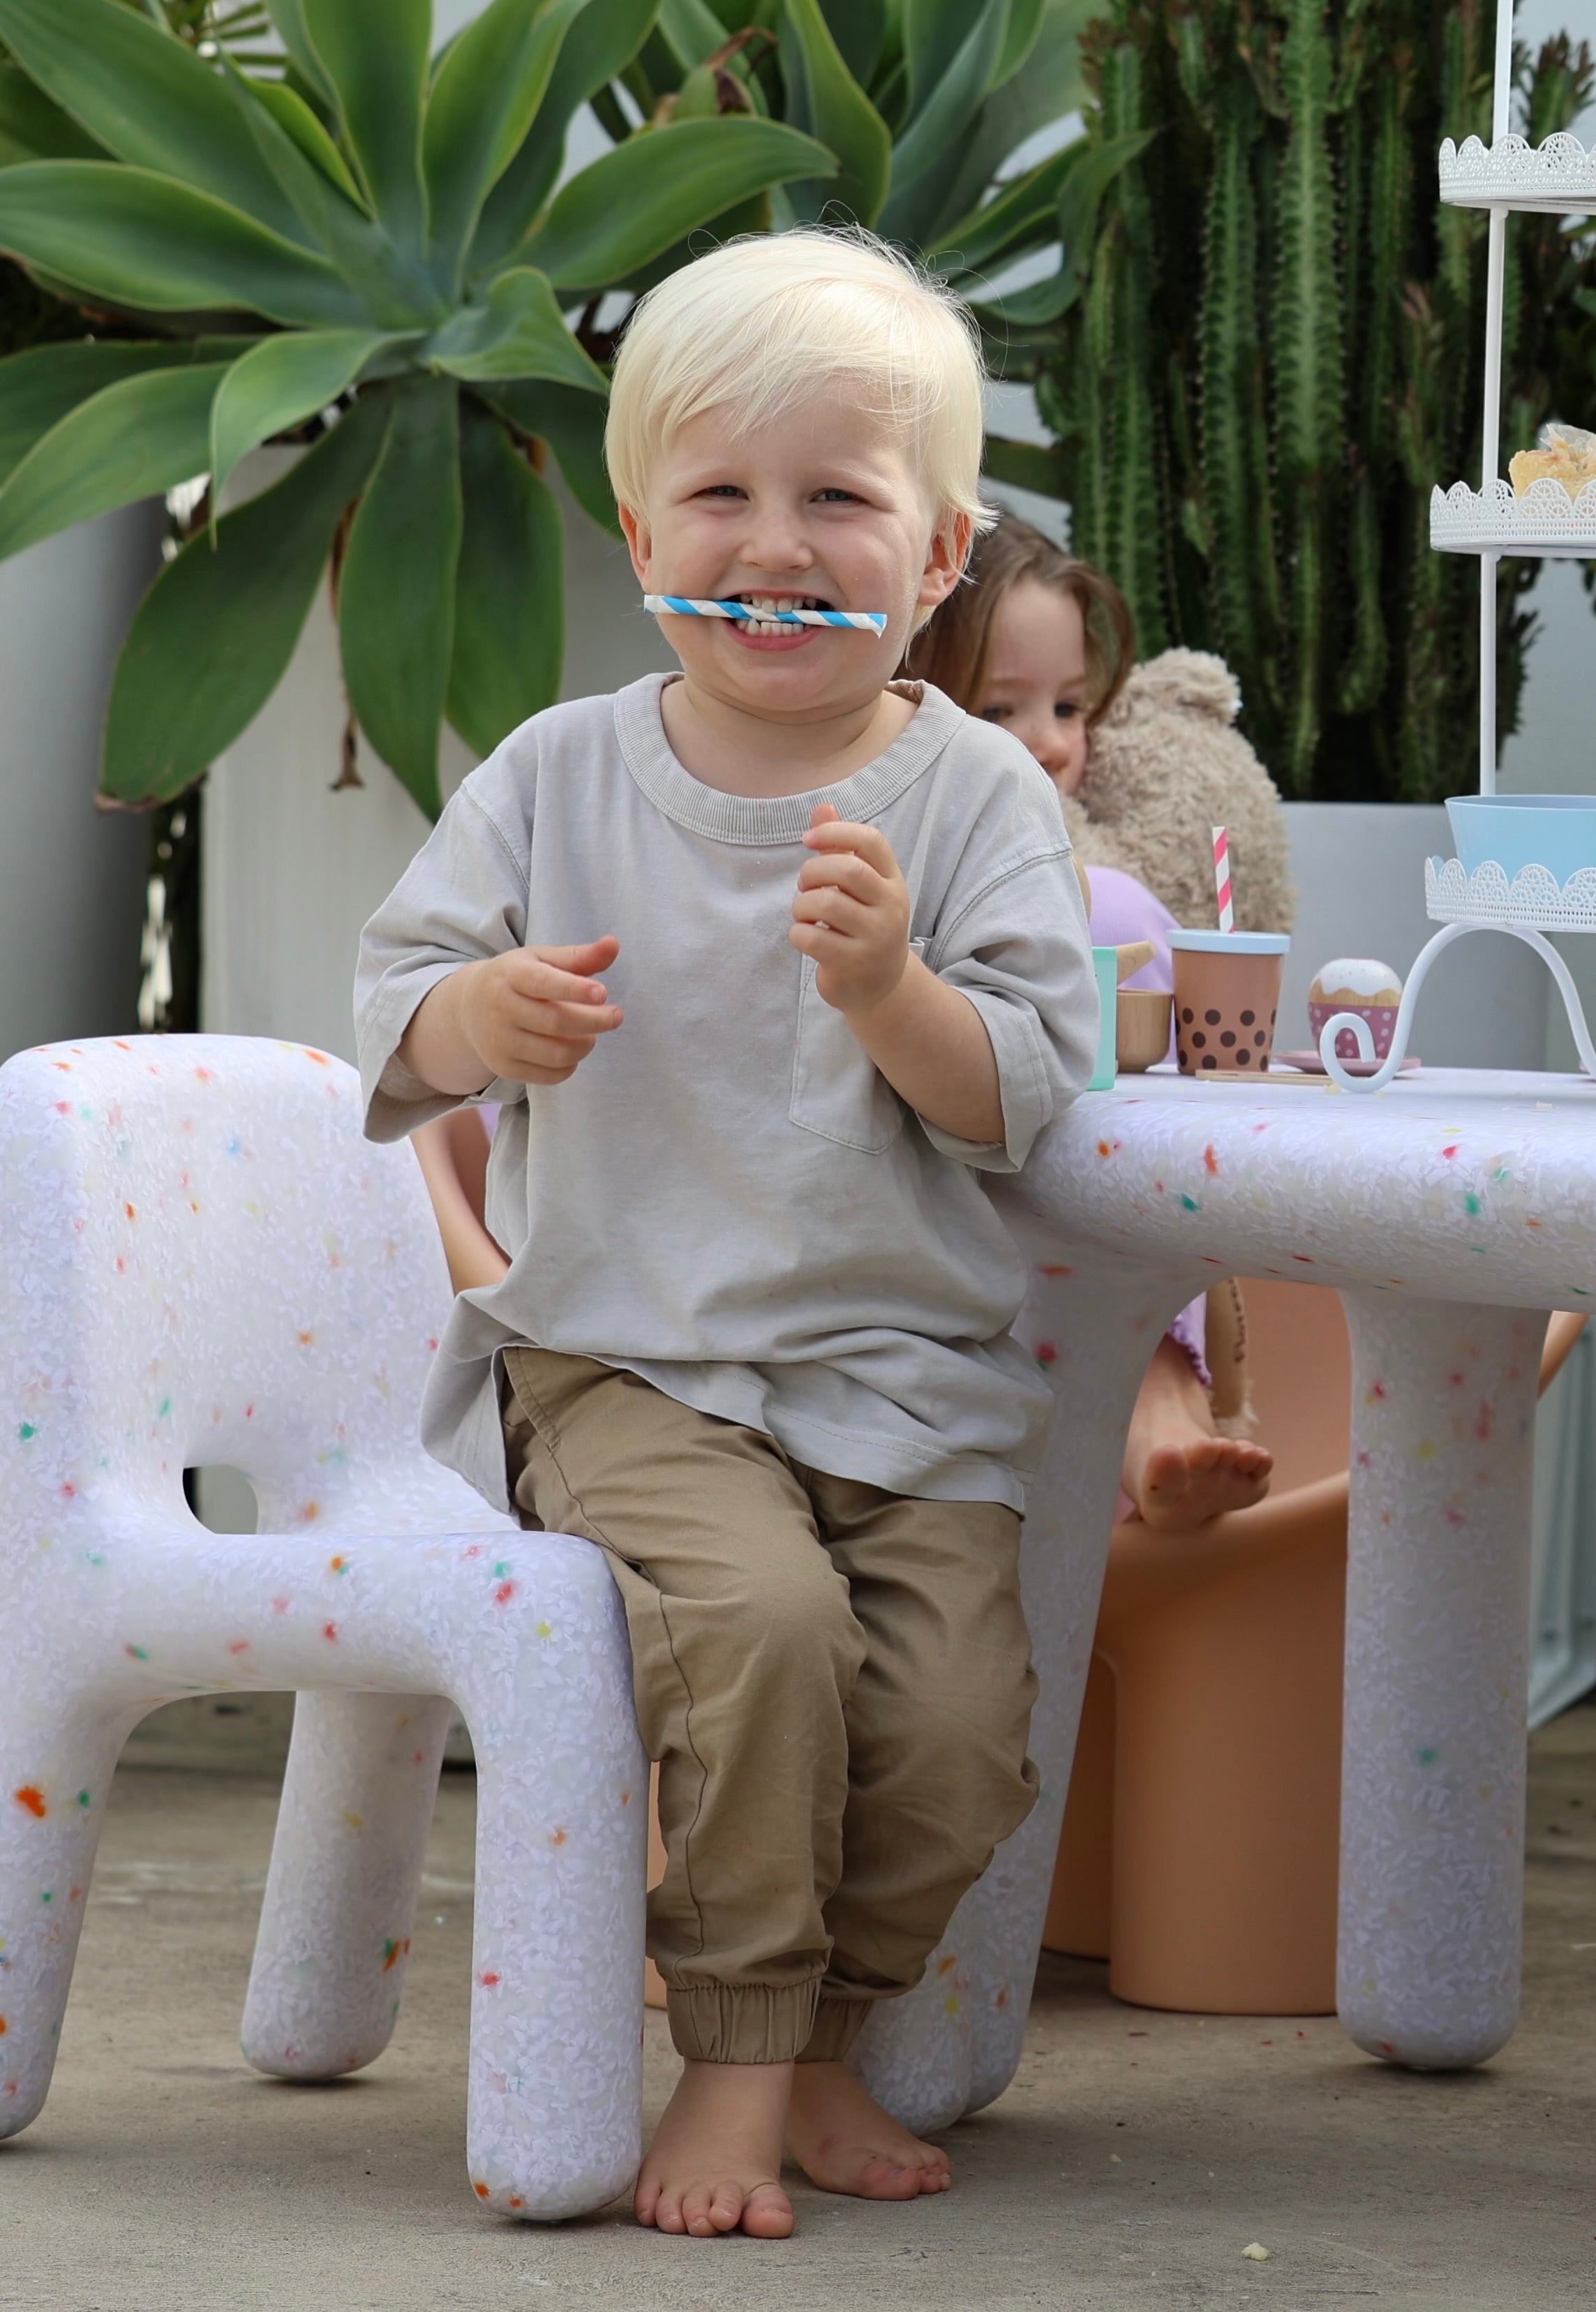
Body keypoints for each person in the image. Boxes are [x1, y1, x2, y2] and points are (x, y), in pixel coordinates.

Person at [355, 232, 1098, 2244]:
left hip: (901, 1380)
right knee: (760, 1635)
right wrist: (478, 1021)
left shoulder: (970, 806)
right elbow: (392, 1015)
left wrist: (892, 999)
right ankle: (739, 2060)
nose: (775, 545)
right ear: (637, 521)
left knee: (953, 1736)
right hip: (622, 1355)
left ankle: (824, 2030)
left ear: (936, 557)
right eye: (723, 494)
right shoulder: (558, 775)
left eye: (838, 499)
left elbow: (1027, 1088)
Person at [909, 518, 1274, 1528]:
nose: (1055, 743)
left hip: (1079, 1263)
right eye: (1000, 708)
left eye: (1071, 706)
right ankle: (1147, 1391)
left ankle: (1160, 1383)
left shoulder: (1113, 876)